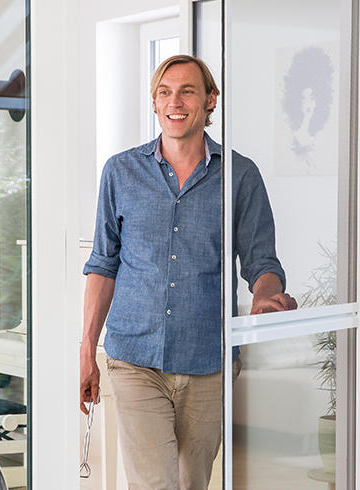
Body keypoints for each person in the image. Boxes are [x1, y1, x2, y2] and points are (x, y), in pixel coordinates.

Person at [80, 54, 296, 489]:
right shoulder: (120, 172)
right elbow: (103, 264)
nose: (174, 102)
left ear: (210, 99)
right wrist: (87, 348)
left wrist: (265, 296)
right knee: (154, 484)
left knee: (192, 483)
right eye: (164, 92)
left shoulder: (240, 176)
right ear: (154, 103)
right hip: (135, 358)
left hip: (208, 360)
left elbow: (262, 263)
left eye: (187, 91)